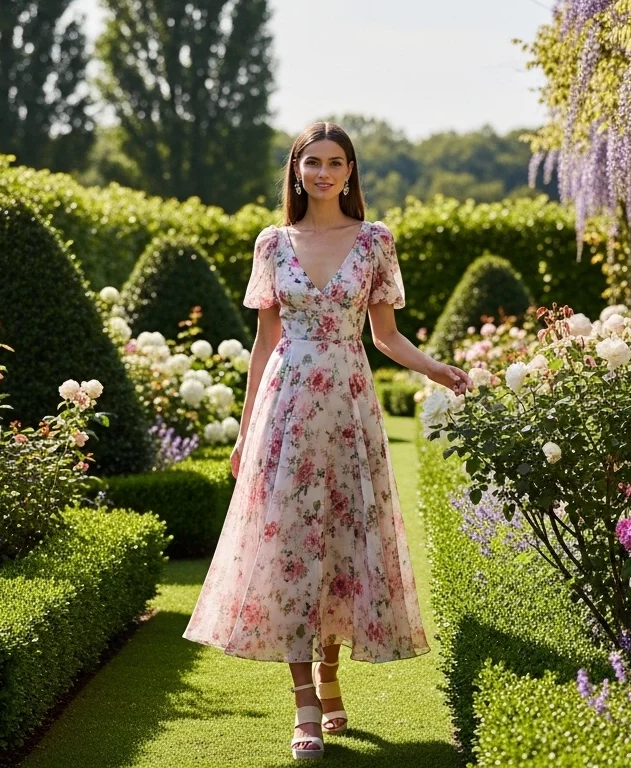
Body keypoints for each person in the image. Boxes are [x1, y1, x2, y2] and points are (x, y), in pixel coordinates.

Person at [182, 121, 472, 759]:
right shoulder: (272, 242)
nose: (322, 172)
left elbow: (386, 336)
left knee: (342, 538)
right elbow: (264, 343)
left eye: (335, 162)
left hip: (347, 406)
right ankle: (303, 701)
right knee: (289, 543)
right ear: (296, 169)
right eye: (312, 162)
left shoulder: (374, 241)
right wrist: (245, 428)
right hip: (286, 409)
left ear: (349, 172)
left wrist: (438, 369)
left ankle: (333, 672)